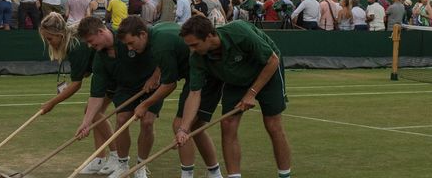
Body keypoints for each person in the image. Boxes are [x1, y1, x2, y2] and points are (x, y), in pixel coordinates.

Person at [176, 17, 292, 178]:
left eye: (194, 44)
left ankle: (285, 175)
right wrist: (183, 129)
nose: (192, 50)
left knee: (273, 124)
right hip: (235, 79)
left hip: (267, 70)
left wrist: (251, 94)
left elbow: (272, 60)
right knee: (227, 123)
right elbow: (195, 93)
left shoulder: (239, 32)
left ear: (209, 36)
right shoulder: (197, 58)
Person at [118, 17, 224, 178]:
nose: (129, 48)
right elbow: (173, 50)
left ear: (142, 34)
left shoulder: (160, 46)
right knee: (196, 127)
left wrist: (145, 104)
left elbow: (169, 84)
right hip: (198, 73)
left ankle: (189, 175)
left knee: (180, 125)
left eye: (131, 43)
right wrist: (156, 74)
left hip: (204, 75)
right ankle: (215, 173)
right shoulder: (159, 30)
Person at [75, 16, 161, 178]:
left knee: (148, 122)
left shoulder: (126, 35)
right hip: (125, 88)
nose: (90, 45)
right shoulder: (99, 57)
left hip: (151, 85)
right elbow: (96, 95)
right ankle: (122, 164)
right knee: (121, 120)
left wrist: (156, 75)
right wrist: (86, 123)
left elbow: (161, 53)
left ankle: (141, 165)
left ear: (101, 32)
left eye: (91, 40)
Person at [37, 13, 120, 175]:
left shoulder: (75, 46)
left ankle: (117, 156)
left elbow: (76, 84)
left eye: (49, 39)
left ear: (59, 35)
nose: (49, 43)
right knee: (93, 112)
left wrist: (52, 103)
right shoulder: (71, 43)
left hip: (111, 72)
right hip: (102, 72)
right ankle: (100, 158)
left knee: (94, 111)